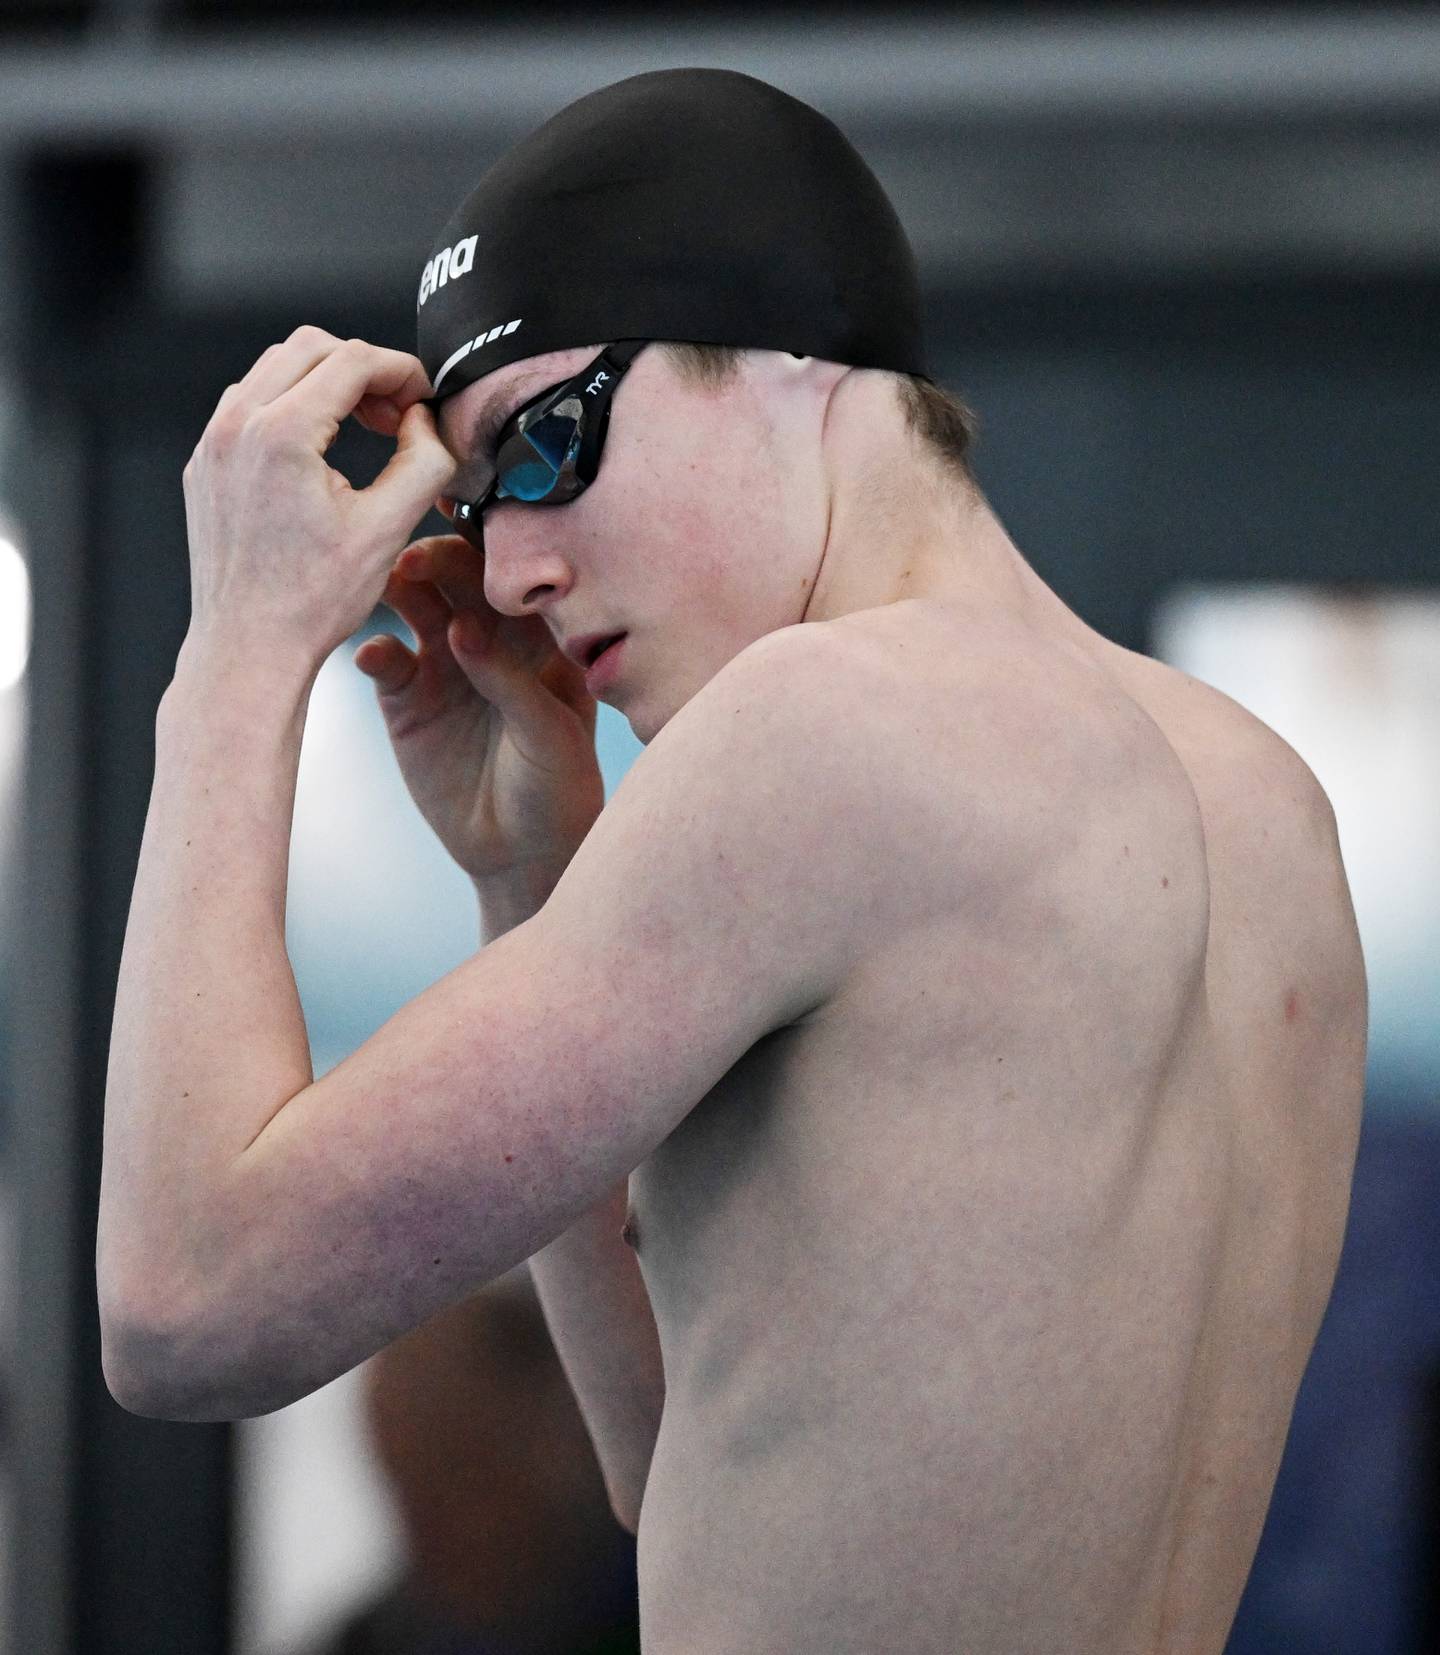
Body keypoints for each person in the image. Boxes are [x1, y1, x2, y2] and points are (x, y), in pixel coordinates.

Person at [101, 69, 1369, 1655]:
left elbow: (185, 1309)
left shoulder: (835, 727)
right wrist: (528, 879)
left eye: (547, 443)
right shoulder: (1267, 809)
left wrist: (232, 656)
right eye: (485, 500)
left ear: (788, 360)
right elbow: (681, 1453)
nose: (511, 565)